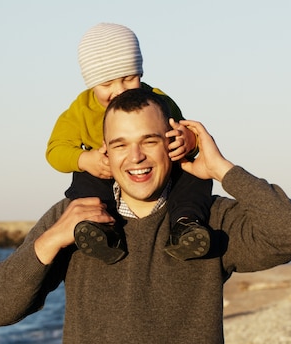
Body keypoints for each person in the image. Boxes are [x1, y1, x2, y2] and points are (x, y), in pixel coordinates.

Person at [0, 88, 291, 344]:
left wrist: (222, 169)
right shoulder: (74, 219)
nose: (136, 156)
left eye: (150, 141)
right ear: (106, 154)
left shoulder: (208, 222)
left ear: (171, 145)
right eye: (121, 144)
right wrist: (51, 240)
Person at [47, 22, 214, 263]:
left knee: (193, 173)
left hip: (158, 174)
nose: (120, 90)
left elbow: (186, 129)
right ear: (91, 83)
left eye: (128, 78)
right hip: (103, 173)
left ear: (141, 72)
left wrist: (189, 140)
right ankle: (100, 230)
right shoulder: (80, 110)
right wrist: (85, 159)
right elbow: (55, 150)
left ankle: (186, 225)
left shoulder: (158, 100)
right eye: (107, 84)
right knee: (83, 181)